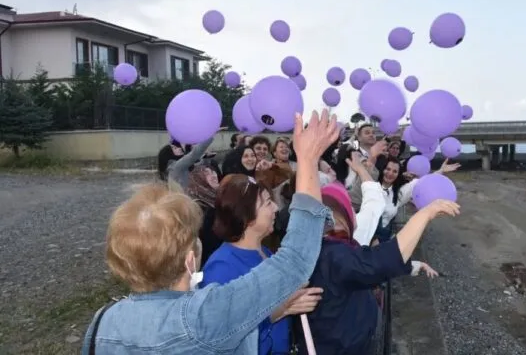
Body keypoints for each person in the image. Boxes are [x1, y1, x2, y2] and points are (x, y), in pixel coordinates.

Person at [82, 109, 340, 354]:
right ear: (190, 260)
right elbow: (294, 259)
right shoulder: (208, 315)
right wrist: (307, 159)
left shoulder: (102, 322)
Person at [299, 169, 460, 354]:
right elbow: (377, 263)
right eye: (350, 207)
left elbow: (364, 264)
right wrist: (425, 214)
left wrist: (412, 266)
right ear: (340, 215)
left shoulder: (331, 246)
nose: (354, 210)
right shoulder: (333, 253)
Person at [201, 174, 323, 355]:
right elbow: (223, 336)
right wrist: (282, 309)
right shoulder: (220, 268)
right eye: (267, 203)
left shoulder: (266, 253)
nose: (275, 208)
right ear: (246, 217)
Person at [186, 162, 223, 267]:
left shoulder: (215, 200)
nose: (214, 175)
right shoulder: (201, 208)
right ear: (198, 179)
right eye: (207, 173)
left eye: (213, 172)